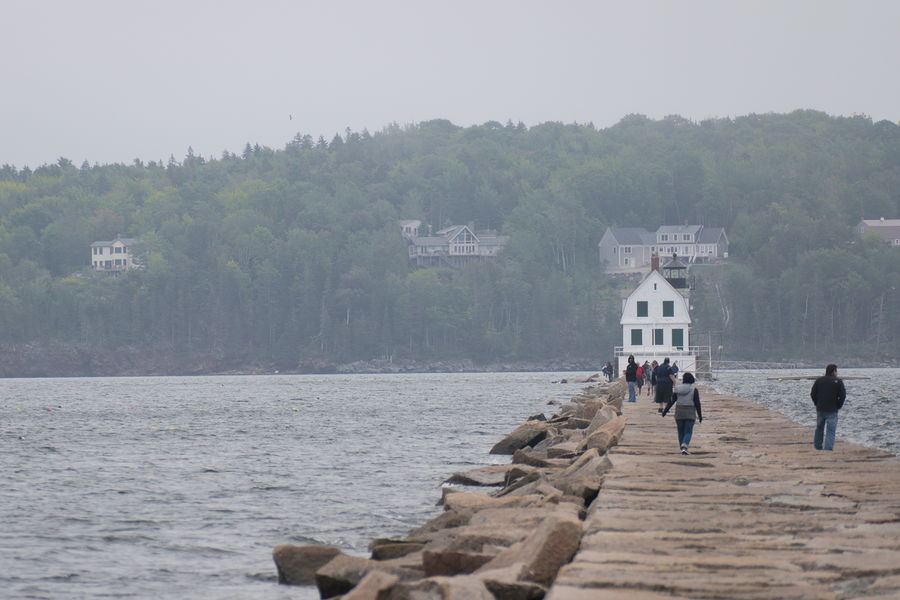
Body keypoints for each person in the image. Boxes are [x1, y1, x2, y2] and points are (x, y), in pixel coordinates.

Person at [661, 372, 702, 454]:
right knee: (688, 431)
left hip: (679, 412)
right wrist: (700, 416)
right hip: (690, 412)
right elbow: (697, 404)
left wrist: (665, 411)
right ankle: (684, 446)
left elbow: (672, 401)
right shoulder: (694, 390)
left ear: (683, 379)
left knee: (680, 431)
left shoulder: (677, 389)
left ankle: (683, 447)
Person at [810, 364, 846, 451]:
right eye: (836, 371)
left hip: (821, 408)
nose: (837, 373)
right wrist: (838, 405)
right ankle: (828, 448)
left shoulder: (819, 381)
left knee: (819, 428)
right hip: (832, 409)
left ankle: (818, 446)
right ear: (833, 371)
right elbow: (842, 396)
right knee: (831, 430)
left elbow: (812, 394)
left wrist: (816, 403)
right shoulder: (838, 381)